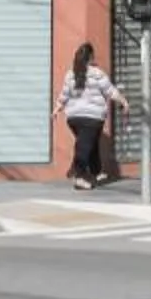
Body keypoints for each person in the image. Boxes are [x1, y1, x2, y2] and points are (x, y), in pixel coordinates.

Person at [57, 40, 122, 189]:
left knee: (88, 143)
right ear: (91, 57)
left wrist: (57, 108)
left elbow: (64, 95)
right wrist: (123, 102)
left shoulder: (70, 74)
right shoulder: (97, 73)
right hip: (92, 117)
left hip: (73, 118)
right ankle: (78, 174)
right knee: (85, 146)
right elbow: (110, 91)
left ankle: (95, 171)